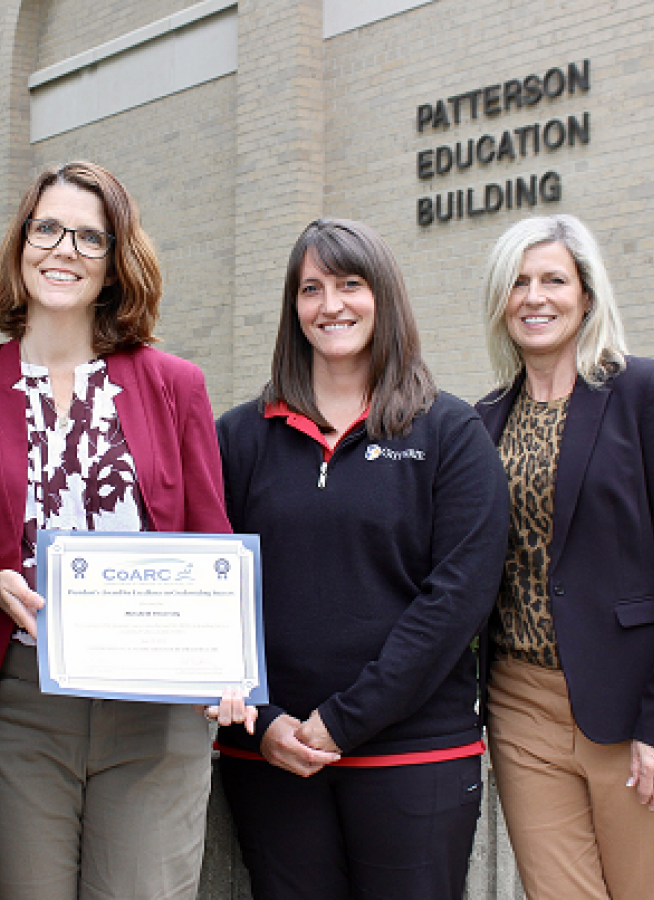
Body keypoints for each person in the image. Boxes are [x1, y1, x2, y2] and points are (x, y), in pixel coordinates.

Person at [0, 161, 235, 900]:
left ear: (115, 262)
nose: (65, 249)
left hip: (155, 712)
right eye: (48, 228)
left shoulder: (174, 385)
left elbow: (209, 548)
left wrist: (230, 669)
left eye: (91, 237)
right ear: (21, 244)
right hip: (14, 706)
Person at [213, 218, 509, 899]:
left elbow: (457, 597)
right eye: (311, 289)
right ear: (293, 309)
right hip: (274, 757)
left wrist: (343, 721)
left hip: (414, 754)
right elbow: (210, 589)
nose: (331, 305)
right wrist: (263, 721)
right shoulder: (237, 437)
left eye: (350, 284)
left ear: (385, 296)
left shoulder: (449, 433)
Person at [474, 214, 654, 900]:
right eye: (519, 282)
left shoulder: (648, 392)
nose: (535, 296)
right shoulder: (483, 419)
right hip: (521, 702)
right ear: (501, 302)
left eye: (554, 279)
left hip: (635, 703)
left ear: (586, 295)